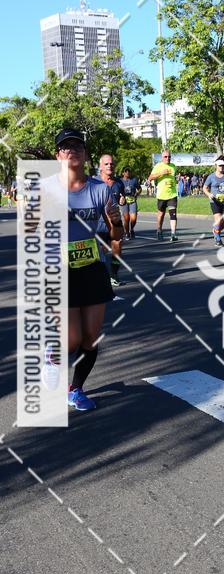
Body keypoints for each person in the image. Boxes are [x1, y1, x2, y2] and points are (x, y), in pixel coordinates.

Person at [53, 128, 120, 410]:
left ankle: (75, 389)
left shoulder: (100, 189)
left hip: (92, 268)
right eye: (66, 147)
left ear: (85, 153)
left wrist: (116, 224)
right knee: (71, 340)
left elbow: (117, 234)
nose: (72, 150)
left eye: (77, 146)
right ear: (58, 155)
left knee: (91, 337)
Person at [98, 153, 126, 286]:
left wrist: (122, 201)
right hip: (99, 223)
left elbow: (121, 199)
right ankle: (101, 275)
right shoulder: (94, 182)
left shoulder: (119, 183)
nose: (110, 166)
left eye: (112, 163)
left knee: (118, 244)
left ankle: (114, 274)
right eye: (106, 164)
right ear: (101, 167)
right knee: (101, 250)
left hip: (115, 221)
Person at [148, 149, 178, 241]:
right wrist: (161, 173)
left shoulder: (173, 166)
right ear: (162, 158)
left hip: (172, 194)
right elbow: (150, 178)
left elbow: (173, 178)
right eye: (165, 157)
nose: (167, 158)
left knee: (173, 214)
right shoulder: (158, 166)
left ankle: (173, 234)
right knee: (161, 215)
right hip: (161, 194)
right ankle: (159, 229)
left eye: (169, 157)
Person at [203, 155, 224, 246]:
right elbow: (204, 188)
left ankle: (216, 230)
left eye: (222, 166)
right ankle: (218, 239)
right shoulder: (211, 177)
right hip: (215, 201)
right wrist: (209, 194)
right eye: (219, 166)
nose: (221, 167)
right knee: (218, 220)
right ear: (216, 166)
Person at [120, 166, 141, 240]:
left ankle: (131, 229)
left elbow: (139, 189)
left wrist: (136, 194)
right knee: (126, 219)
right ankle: (127, 233)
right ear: (123, 173)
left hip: (132, 200)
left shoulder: (134, 180)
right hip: (124, 201)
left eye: (129, 171)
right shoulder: (120, 181)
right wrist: (120, 197)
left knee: (133, 218)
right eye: (126, 171)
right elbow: (116, 190)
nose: (127, 172)